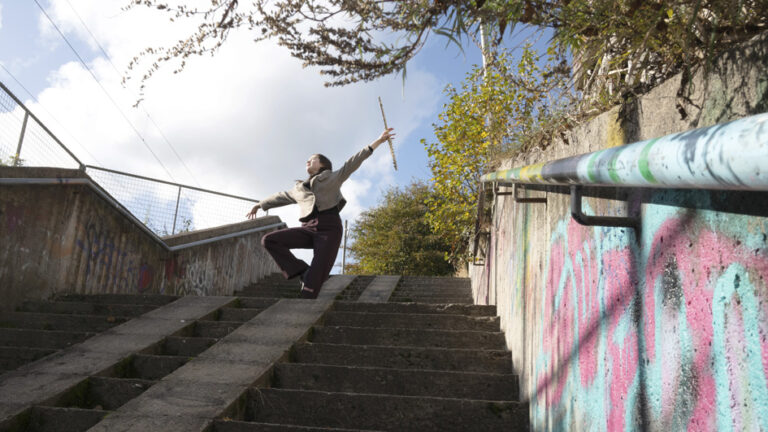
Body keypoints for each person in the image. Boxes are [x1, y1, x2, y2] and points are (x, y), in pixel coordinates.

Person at [246, 128, 396, 298]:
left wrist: (378, 141)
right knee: (269, 240)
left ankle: (307, 295)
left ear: (322, 164)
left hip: (329, 229)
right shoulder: (299, 188)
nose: (307, 161)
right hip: (308, 228)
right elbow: (280, 197)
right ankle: (302, 271)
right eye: (307, 160)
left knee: (315, 278)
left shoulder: (333, 177)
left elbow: (354, 161)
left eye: (312, 159)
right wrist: (259, 205)